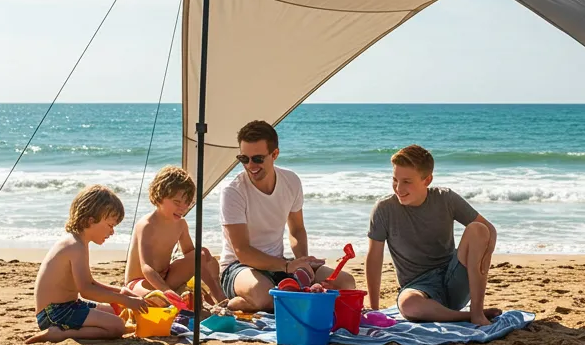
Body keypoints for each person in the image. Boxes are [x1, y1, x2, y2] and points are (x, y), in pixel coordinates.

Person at [220, 120, 355, 312]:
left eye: (257, 159)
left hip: (280, 264)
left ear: (274, 154)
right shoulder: (233, 192)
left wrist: (303, 264)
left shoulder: (291, 181)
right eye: (244, 158)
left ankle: (268, 296)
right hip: (238, 267)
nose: (250, 165)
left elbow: (297, 230)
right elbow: (242, 251)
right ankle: (238, 302)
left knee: (345, 283)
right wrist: (287, 266)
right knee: (266, 297)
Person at [366, 144, 500, 327]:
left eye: (407, 181)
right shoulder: (384, 209)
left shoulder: (446, 198)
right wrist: (375, 310)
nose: (398, 188)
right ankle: (467, 316)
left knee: (478, 229)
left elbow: (489, 229)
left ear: (427, 180)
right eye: (395, 180)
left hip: (454, 279)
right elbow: (374, 258)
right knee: (407, 305)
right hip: (418, 288)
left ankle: (477, 311)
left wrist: (485, 258)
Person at [29, 184, 148, 343]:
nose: (112, 232)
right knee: (117, 326)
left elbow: (90, 282)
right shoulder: (74, 246)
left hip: (69, 306)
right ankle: (60, 334)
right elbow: (85, 290)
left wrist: (121, 292)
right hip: (54, 314)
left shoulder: (79, 242)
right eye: (110, 225)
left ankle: (73, 328)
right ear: (90, 221)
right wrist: (125, 300)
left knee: (114, 311)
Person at [123, 165, 228, 309]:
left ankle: (218, 295)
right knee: (157, 300)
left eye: (187, 203)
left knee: (201, 254)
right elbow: (146, 267)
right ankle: (170, 297)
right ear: (159, 196)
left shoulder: (181, 224)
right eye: (177, 202)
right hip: (140, 281)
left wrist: (213, 287)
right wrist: (166, 291)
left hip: (167, 277)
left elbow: (194, 259)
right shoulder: (147, 225)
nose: (183, 208)